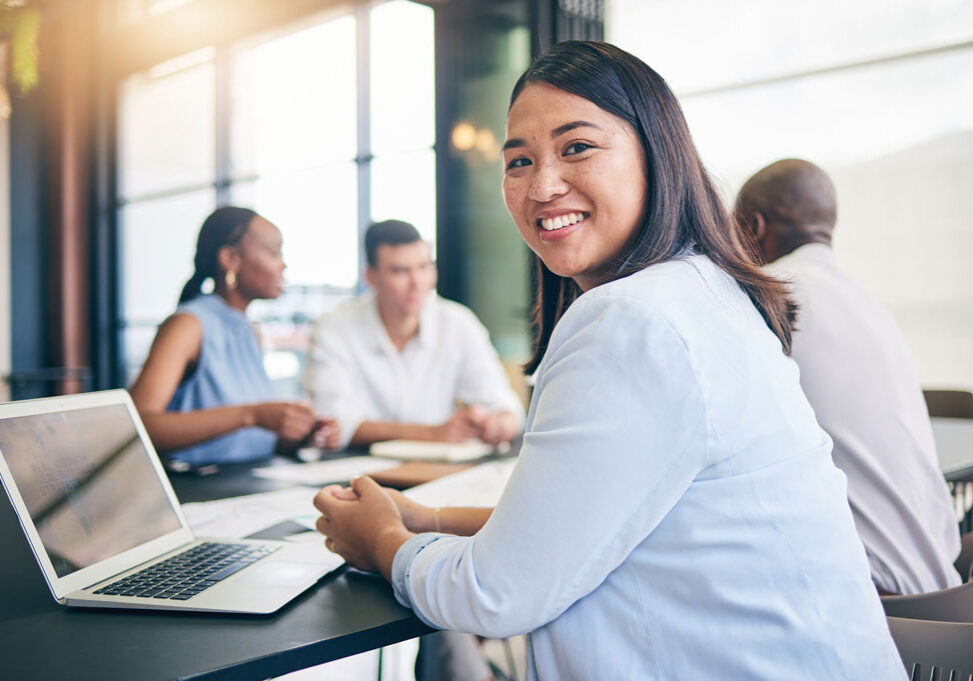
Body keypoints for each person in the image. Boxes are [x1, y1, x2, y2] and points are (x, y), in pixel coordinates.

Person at [311, 42, 905, 680]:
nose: (542, 186)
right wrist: (428, 518)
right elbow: (617, 517)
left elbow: (495, 592)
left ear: (655, 152)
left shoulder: (632, 320)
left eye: (577, 147)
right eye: (519, 161)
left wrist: (384, 544)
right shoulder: (702, 290)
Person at [735, 158, 961, 595]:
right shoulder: (866, 302)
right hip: (944, 588)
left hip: (878, 604)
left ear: (754, 228)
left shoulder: (775, 296)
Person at [130, 206, 339, 467]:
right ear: (230, 258)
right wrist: (252, 415)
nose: (283, 264)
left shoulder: (250, 331)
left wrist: (301, 431)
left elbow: (247, 439)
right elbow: (138, 426)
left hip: (248, 484)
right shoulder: (187, 325)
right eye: (274, 252)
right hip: (197, 488)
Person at [303, 219, 524, 450]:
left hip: (433, 468)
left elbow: (505, 405)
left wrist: (499, 423)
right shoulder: (334, 328)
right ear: (371, 277)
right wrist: (433, 434)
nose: (417, 282)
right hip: (356, 468)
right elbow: (333, 423)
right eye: (400, 271)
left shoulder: (457, 323)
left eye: (424, 267)